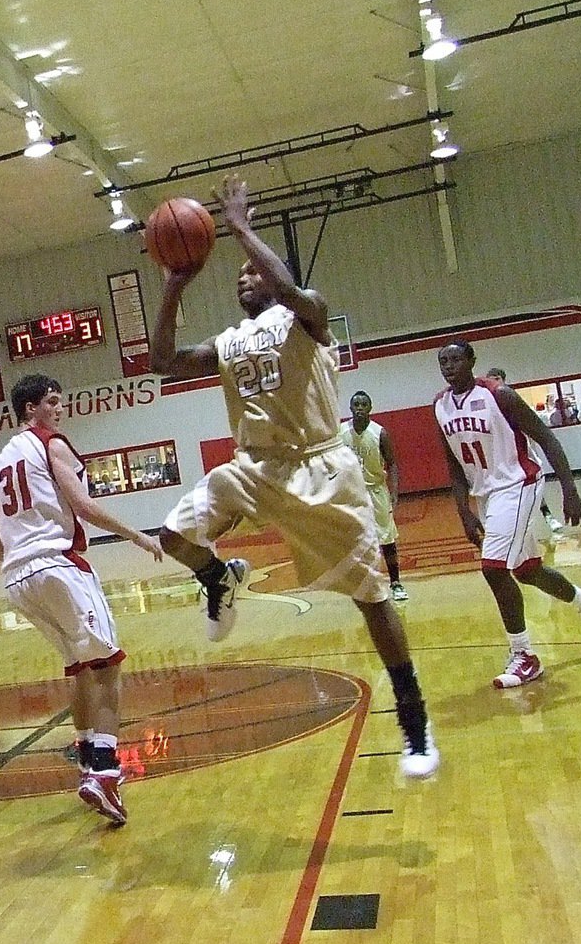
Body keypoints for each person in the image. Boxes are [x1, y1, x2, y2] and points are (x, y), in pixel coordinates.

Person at [150, 174, 439, 779]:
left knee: (371, 597)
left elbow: (288, 286)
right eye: (238, 274)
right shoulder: (228, 344)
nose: (244, 275)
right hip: (254, 466)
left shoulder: (308, 316)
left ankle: (414, 719)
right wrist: (175, 282)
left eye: (254, 270)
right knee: (171, 537)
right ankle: (218, 578)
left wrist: (240, 229)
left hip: (323, 468)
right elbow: (162, 362)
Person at [0, 373, 163, 825]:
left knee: (80, 668)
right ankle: (104, 774)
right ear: (30, 410)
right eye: (53, 402)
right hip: (56, 566)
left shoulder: (2, 458)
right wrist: (139, 535)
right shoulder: (51, 443)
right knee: (107, 667)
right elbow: (83, 506)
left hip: (18, 579)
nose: (60, 410)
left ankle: (85, 760)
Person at [435, 341, 581, 685]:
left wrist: (569, 489)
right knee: (527, 570)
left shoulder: (499, 395)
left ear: (472, 361)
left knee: (493, 569)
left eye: (456, 358)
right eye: (443, 361)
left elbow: (547, 438)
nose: (449, 365)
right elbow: (453, 465)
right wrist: (464, 511)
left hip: (519, 484)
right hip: (488, 495)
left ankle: (524, 655)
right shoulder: (440, 406)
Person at [338, 391, 408, 600]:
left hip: (377, 490)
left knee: (386, 538)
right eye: (356, 404)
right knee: (355, 539)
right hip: (352, 493)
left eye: (363, 404)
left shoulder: (380, 433)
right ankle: (365, 584)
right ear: (350, 408)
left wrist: (394, 492)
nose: (359, 408)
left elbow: (392, 464)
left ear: (370, 408)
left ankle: (395, 583)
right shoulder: (341, 432)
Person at [485, 368, 563, 537]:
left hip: (520, 452)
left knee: (531, 489)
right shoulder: (486, 404)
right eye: (491, 379)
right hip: (499, 459)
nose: (494, 382)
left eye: (497, 378)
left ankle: (548, 517)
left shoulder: (510, 398)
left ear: (504, 380)